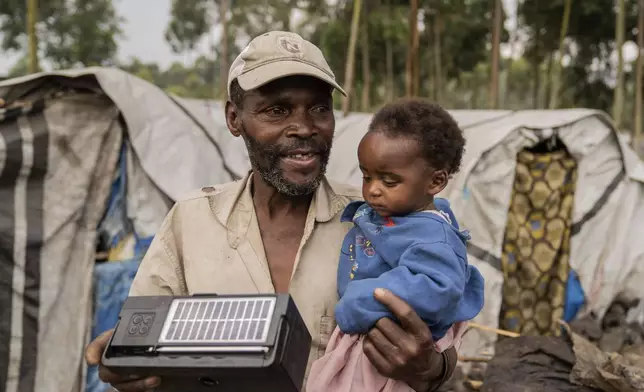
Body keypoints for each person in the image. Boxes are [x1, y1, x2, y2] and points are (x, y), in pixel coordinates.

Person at [84, 31, 459, 392]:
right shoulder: (192, 220)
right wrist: (128, 361)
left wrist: (430, 368)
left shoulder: (384, 220)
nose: (304, 127)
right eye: (277, 110)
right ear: (235, 118)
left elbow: (447, 339)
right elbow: (141, 339)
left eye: (319, 108)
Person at [306, 99, 485, 392]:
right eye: (366, 176)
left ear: (435, 181)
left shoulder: (431, 235)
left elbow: (434, 287)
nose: (373, 189)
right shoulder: (393, 214)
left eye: (389, 181)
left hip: (384, 351)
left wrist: (358, 301)